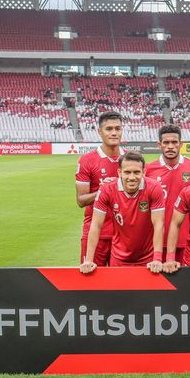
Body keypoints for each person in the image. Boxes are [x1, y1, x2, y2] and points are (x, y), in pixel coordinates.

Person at [80, 151, 165, 273]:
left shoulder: (154, 187)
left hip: (148, 258)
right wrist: (89, 260)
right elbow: (96, 225)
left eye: (136, 172)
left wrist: (157, 258)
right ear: (119, 172)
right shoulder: (107, 189)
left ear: (144, 172)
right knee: (120, 292)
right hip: (119, 257)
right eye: (127, 172)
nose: (131, 177)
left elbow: (158, 224)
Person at [75, 111, 125, 266]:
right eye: (109, 129)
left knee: (122, 283)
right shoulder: (87, 160)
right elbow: (81, 200)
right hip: (95, 233)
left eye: (118, 128)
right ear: (100, 131)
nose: (114, 133)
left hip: (124, 233)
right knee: (90, 281)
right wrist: (103, 191)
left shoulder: (131, 159)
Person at [145, 125, 190, 264]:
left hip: (187, 238)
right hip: (155, 239)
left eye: (174, 142)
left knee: (185, 283)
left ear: (180, 144)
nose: (170, 146)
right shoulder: (148, 170)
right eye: (166, 143)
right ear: (159, 144)